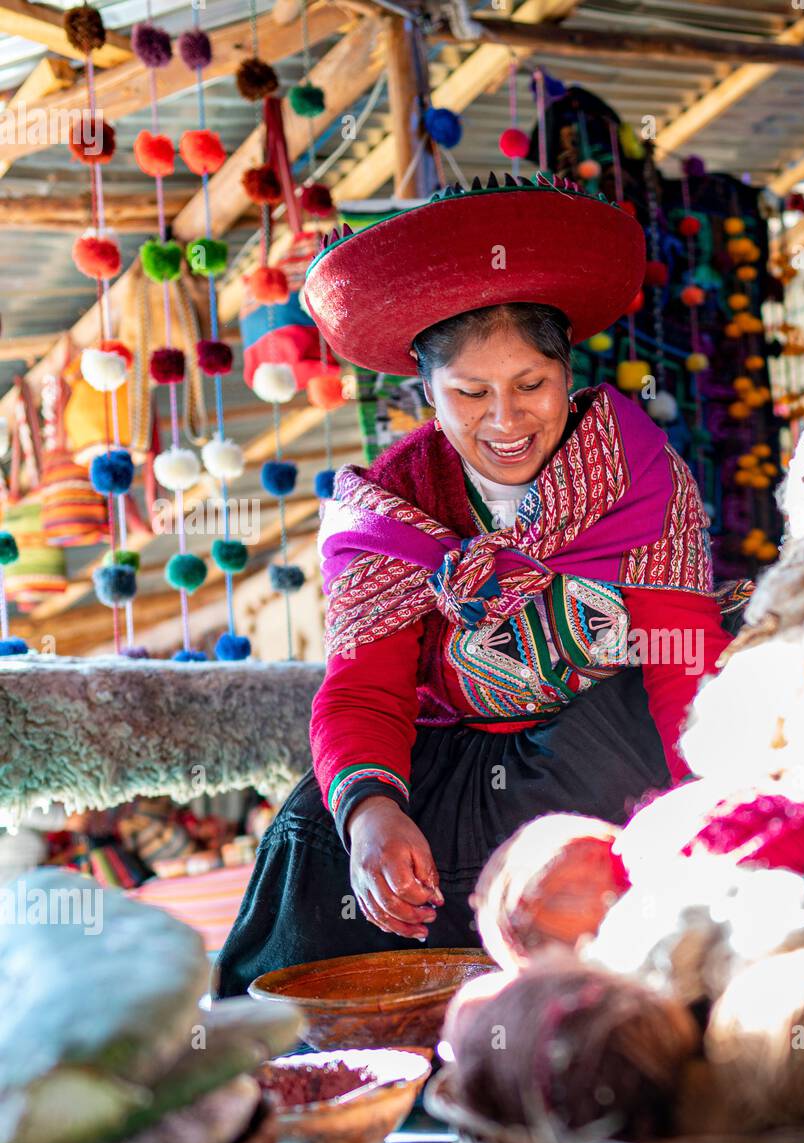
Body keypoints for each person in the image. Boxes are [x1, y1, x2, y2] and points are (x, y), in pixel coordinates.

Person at [214, 174, 747, 996]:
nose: (505, 420)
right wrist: (370, 818)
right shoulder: (386, 511)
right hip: (455, 760)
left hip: (604, 747)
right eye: (470, 393)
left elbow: (684, 662)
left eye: (531, 385)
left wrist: (707, 814)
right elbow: (365, 691)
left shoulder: (638, 475)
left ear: (568, 376)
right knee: (312, 830)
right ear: (425, 393)